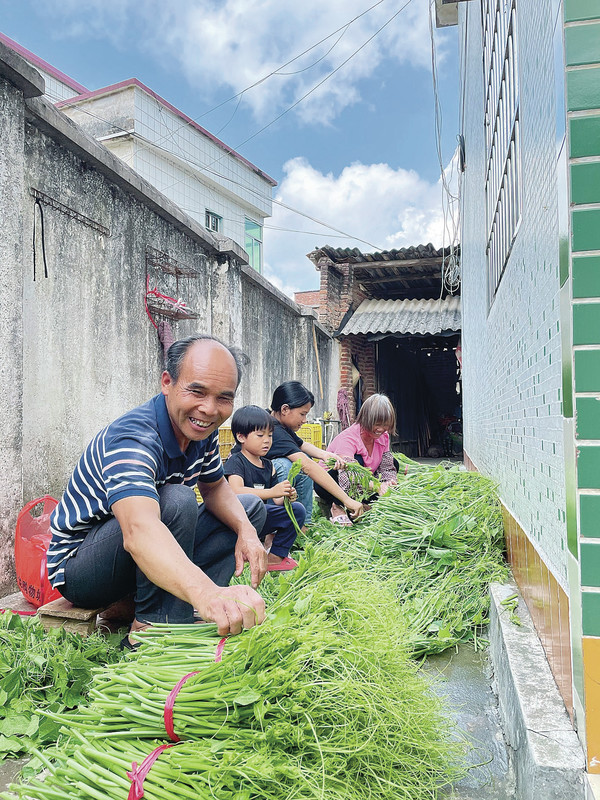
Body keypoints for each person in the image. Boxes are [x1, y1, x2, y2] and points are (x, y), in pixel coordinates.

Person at [47, 334, 268, 647]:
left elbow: (216, 486)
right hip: (80, 567)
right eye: (197, 391)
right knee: (176, 500)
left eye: (223, 398)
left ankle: (186, 608)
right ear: (167, 382)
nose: (208, 409)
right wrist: (206, 592)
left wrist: (246, 531)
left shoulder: (200, 433)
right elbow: (139, 530)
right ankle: (152, 629)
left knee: (248, 509)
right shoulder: (134, 438)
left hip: (136, 555)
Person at [267, 381, 365, 524]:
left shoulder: (278, 422)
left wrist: (326, 455)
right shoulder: (273, 430)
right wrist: (347, 500)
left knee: (303, 459)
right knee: (289, 464)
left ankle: (303, 523)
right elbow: (307, 465)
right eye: (302, 414)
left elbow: (302, 444)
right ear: (285, 409)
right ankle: (277, 526)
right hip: (252, 485)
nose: (304, 420)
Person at [224, 405, 305, 571]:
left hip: (262, 517)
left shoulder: (268, 465)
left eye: (270, 435)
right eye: (260, 435)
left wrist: (285, 495)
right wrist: (271, 491)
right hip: (237, 519)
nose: (267, 440)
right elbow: (236, 491)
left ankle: (274, 557)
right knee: (252, 501)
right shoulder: (236, 461)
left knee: (297, 510)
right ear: (241, 437)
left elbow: (275, 499)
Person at [315, 393, 398, 522]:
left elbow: (387, 467)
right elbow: (348, 475)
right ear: (366, 420)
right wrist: (377, 487)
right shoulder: (348, 438)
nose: (381, 429)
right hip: (331, 482)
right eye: (377, 424)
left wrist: (388, 482)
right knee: (356, 462)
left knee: (394, 462)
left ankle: (362, 504)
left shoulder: (384, 436)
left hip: (361, 482)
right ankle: (337, 505)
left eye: (385, 425)